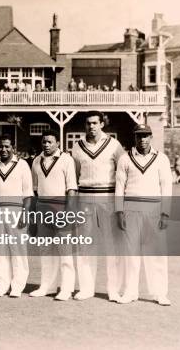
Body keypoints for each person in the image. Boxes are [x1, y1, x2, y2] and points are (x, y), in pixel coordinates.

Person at [115, 124, 172, 306]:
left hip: (154, 210)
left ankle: (159, 293)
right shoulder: (125, 159)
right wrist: (119, 211)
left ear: (151, 137)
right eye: (139, 136)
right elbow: (119, 187)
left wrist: (165, 213)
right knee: (131, 253)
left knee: (156, 253)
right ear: (134, 137)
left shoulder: (161, 159)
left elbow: (166, 187)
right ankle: (130, 292)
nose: (143, 139)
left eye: (146, 135)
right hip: (131, 210)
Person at [71, 111, 125, 301]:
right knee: (85, 245)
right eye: (88, 123)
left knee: (112, 245)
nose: (91, 126)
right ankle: (86, 289)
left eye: (95, 123)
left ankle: (113, 290)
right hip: (85, 198)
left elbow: (123, 173)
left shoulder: (114, 145)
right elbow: (74, 176)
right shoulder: (77, 147)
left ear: (102, 124)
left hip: (108, 198)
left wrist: (121, 204)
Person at [0, 135, 33, 297]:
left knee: (17, 250)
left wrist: (26, 213)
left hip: (16, 211)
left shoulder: (22, 165)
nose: (3, 149)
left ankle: (17, 285)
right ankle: (2, 284)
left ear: (13, 148)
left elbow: (28, 193)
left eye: (7, 146)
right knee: (0, 250)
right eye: (1, 146)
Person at [29, 130, 78, 301]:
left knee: (64, 251)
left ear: (58, 143)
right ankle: (47, 286)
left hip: (61, 208)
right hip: (42, 208)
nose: (46, 145)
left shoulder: (66, 160)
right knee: (45, 250)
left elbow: (71, 188)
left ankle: (66, 288)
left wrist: (69, 213)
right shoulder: (36, 161)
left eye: (50, 142)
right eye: (44, 142)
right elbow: (34, 190)